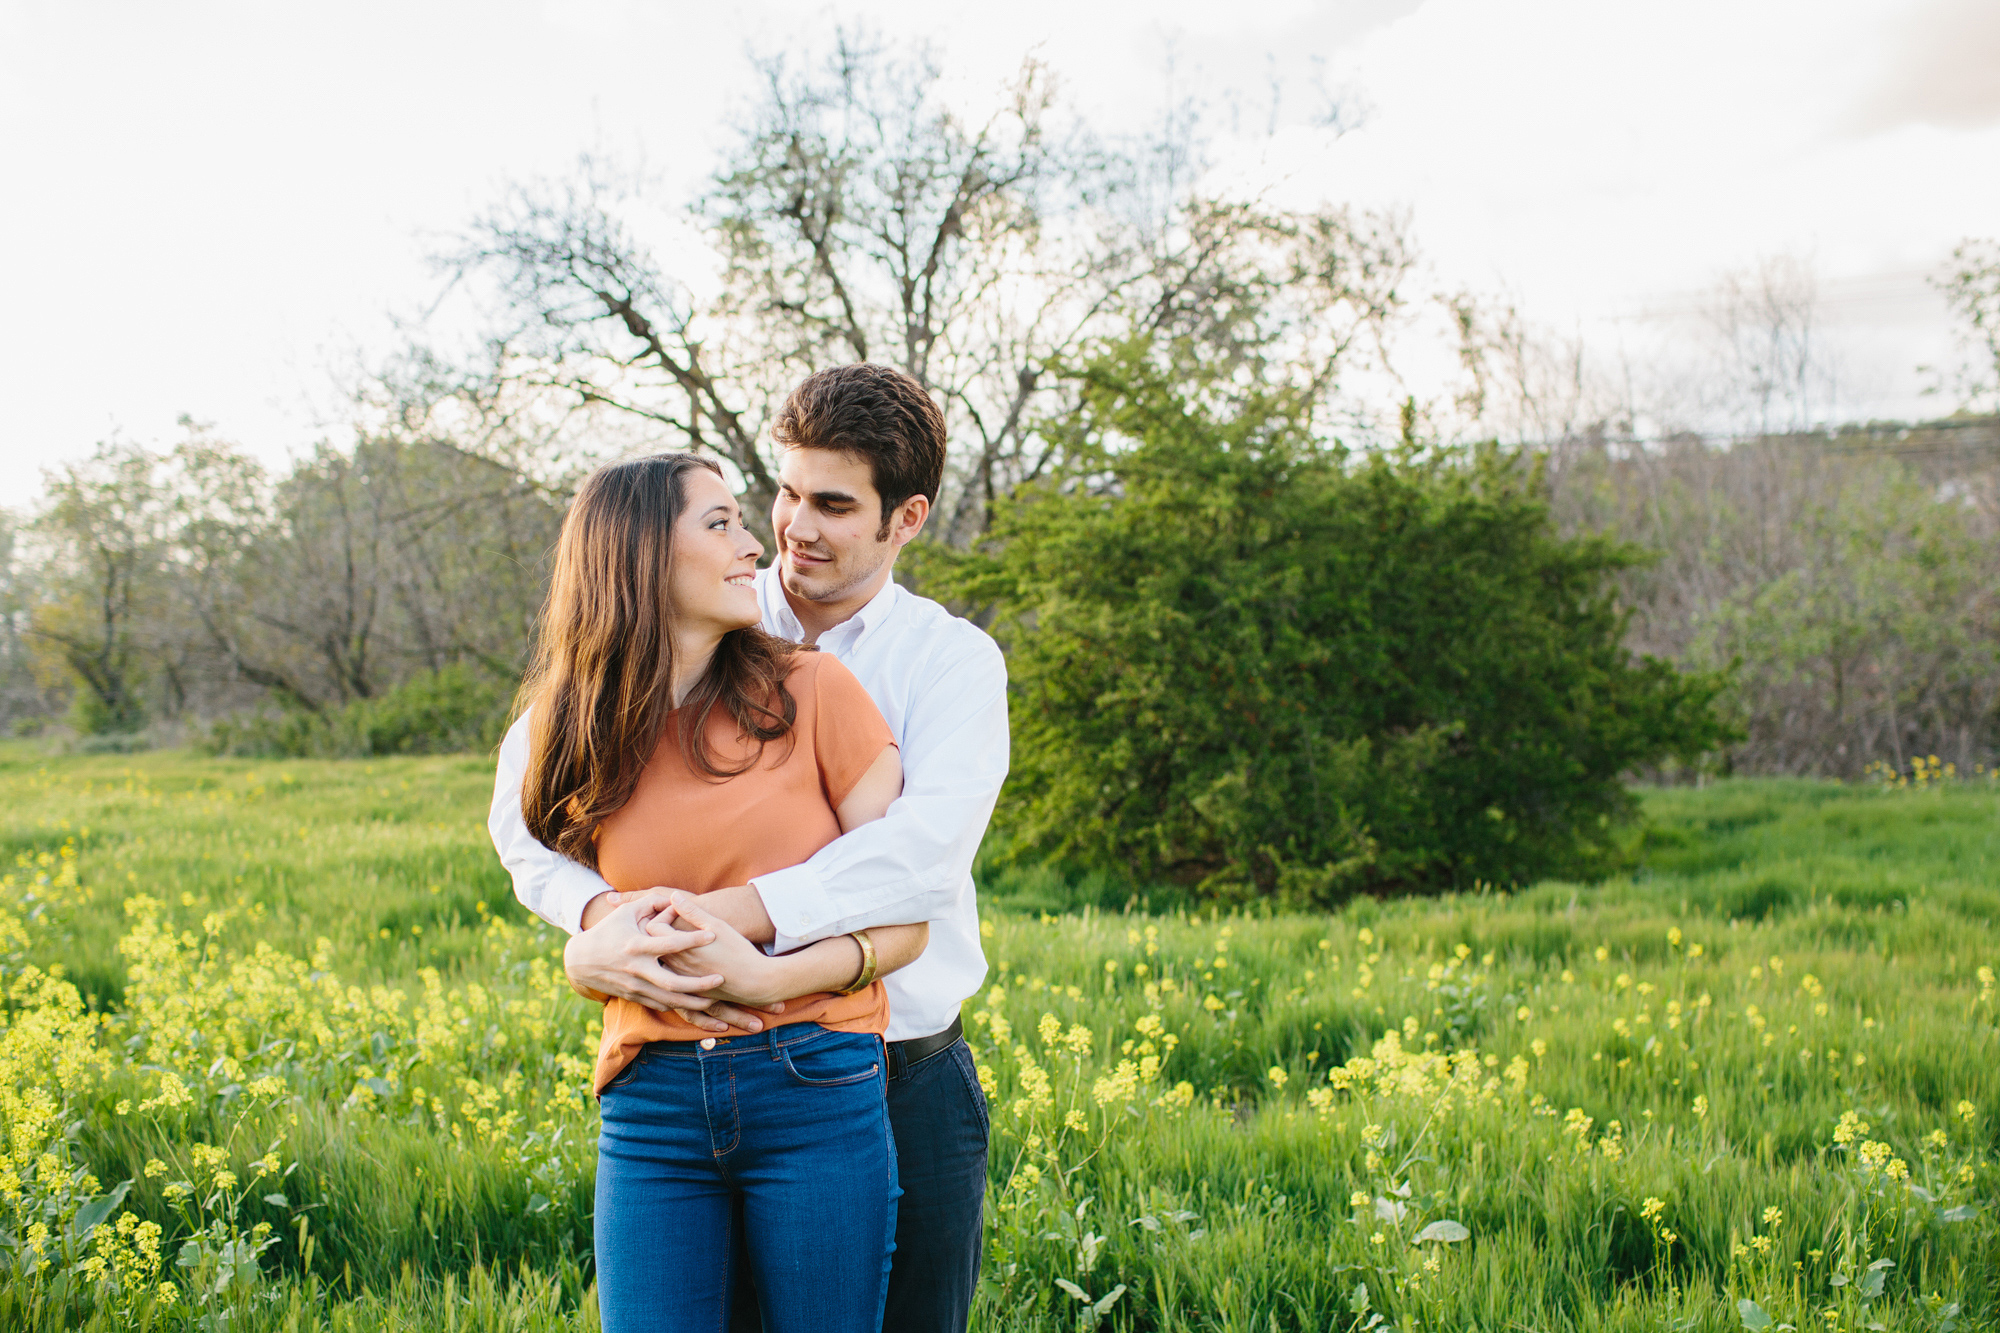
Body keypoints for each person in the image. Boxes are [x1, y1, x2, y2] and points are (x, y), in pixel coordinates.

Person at [491, 363, 1007, 1333]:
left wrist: (725, 924)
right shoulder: (705, 612)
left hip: (898, 1069)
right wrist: (596, 922)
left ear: (907, 518)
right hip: (689, 1067)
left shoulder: (948, 663)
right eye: (785, 492)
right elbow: (524, 810)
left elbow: (916, 863)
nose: (792, 527)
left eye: (833, 504)